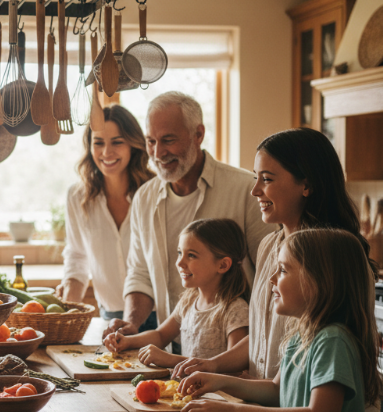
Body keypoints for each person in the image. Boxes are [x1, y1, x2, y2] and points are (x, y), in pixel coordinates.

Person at [177, 229, 383, 412]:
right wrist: (218, 381)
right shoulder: (301, 335)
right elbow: (276, 391)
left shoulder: (333, 340)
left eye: (283, 270)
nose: (272, 278)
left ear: (318, 281)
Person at [111, 91, 274, 347]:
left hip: (237, 349)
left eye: (168, 140)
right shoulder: (144, 197)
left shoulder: (245, 189)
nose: (158, 152)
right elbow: (140, 274)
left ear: (198, 135)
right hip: (176, 348)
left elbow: (270, 273)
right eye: (151, 141)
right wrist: (131, 323)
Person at [104, 219, 249, 369]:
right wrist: (128, 341)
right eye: (180, 253)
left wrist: (170, 360)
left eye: (191, 255)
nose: (179, 263)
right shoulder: (189, 301)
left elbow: (234, 369)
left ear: (223, 265)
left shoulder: (235, 310)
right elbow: (160, 336)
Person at [56, 105, 154, 323]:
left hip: (159, 313)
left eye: (117, 142)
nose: (106, 152)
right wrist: (67, 311)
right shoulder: (77, 196)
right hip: (109, 314)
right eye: (98, 143)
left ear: (133, 145)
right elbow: (77, 255)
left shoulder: (154, 191)